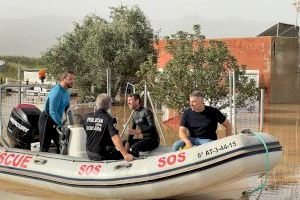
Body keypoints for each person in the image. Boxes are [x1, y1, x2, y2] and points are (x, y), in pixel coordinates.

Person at [83, 93, 133, 162]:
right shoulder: (109, 119)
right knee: (132, 153)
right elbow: (115, 137)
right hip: (102, 155)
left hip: (89, 153)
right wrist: (125, 154)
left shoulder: (86, 117)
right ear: (109, 105)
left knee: (123, 142)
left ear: (97, 103)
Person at [38, 70, 75, 153]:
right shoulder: (57, 91)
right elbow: (52, 111)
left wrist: (73, 124)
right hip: (47, 120)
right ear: (63, 79)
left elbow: (68, 110)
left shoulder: (66, 92)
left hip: (56, 121)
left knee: (62, 145)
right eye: (70, 79)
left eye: (73, 79)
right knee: (44, 148)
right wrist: (61, 125)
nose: (73, 81)